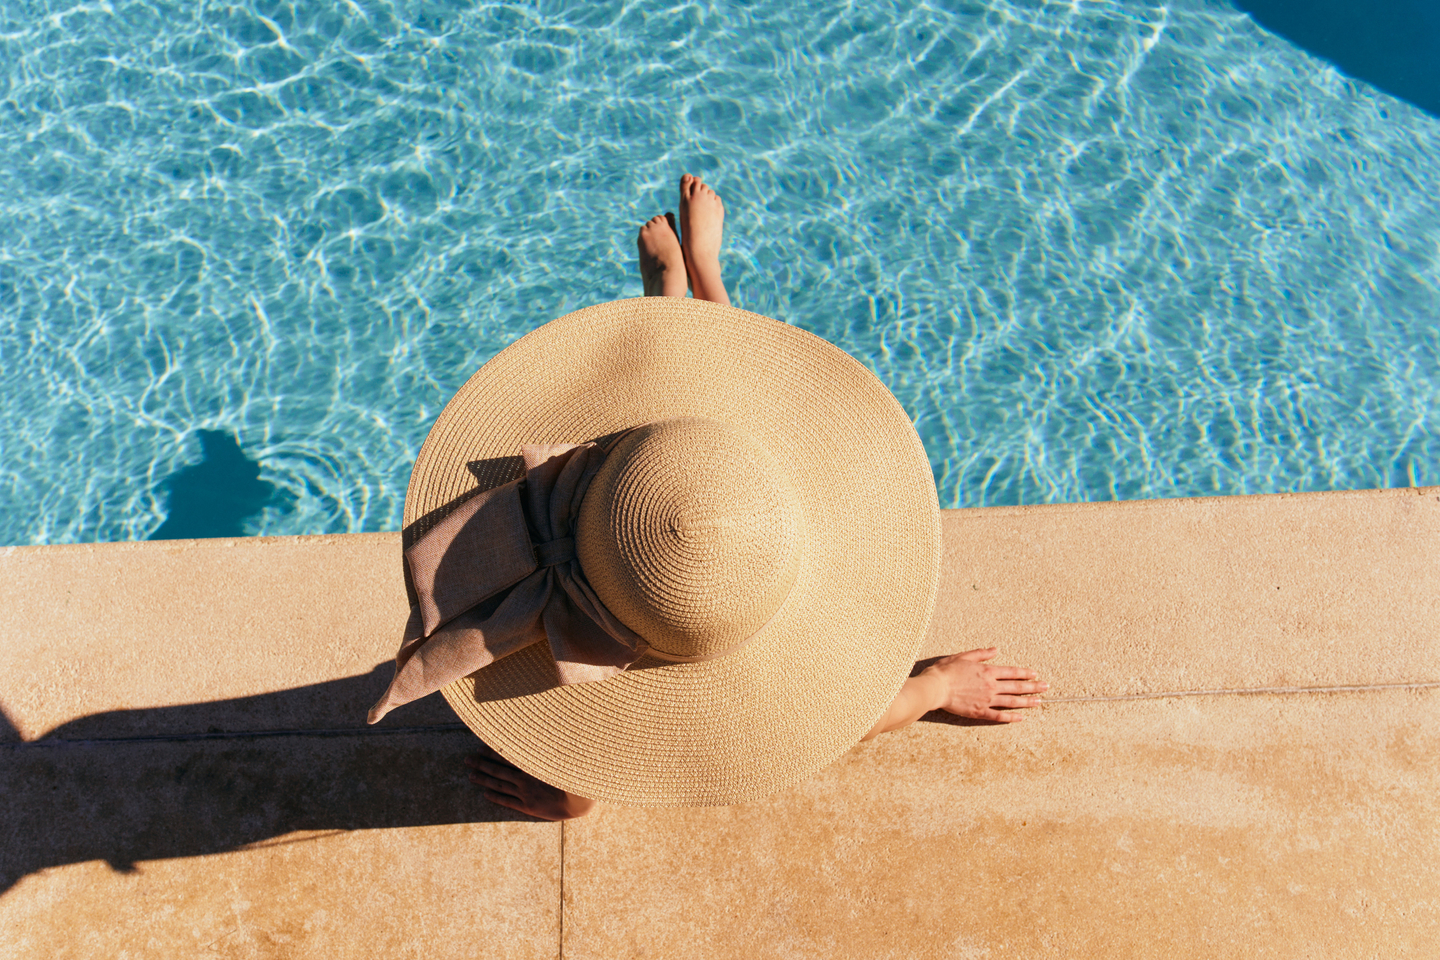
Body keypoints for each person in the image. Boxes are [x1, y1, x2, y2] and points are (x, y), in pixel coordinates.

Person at [373, 174, 1047, 822]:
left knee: (713, 432)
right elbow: (700, 458)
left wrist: (573, 793)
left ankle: (677, 291)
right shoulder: (716, 515)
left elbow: (846, 722)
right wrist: (923, 688)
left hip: (635, 543)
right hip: (664, 513)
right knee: (704, 444)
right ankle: (697, 280)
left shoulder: (697, 567)